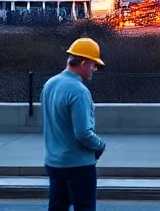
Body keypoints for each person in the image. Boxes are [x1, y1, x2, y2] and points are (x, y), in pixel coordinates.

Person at [42, 38, 108, 211]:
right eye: (93, 65)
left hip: (54, 162)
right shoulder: (79, 91)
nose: (94, 69)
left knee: (56, 207)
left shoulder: (50, 84)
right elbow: (83, 133)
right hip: (78, 165)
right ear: (84, 63)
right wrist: (100, 145)